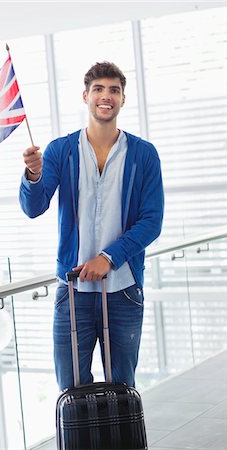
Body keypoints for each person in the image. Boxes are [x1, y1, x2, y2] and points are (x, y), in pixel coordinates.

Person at [19, 61, 164, 391]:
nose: (106, 96)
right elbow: (33, 207)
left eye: (114, 90)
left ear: (123, 99)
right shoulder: (61, 150)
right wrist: (33, 175)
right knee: (71, 388)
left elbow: (151, 222)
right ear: (85, 96)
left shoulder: (144, 155)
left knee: (122, 389)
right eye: (98, 89)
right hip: (72, 293)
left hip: (124, 291)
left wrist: (108, 258)